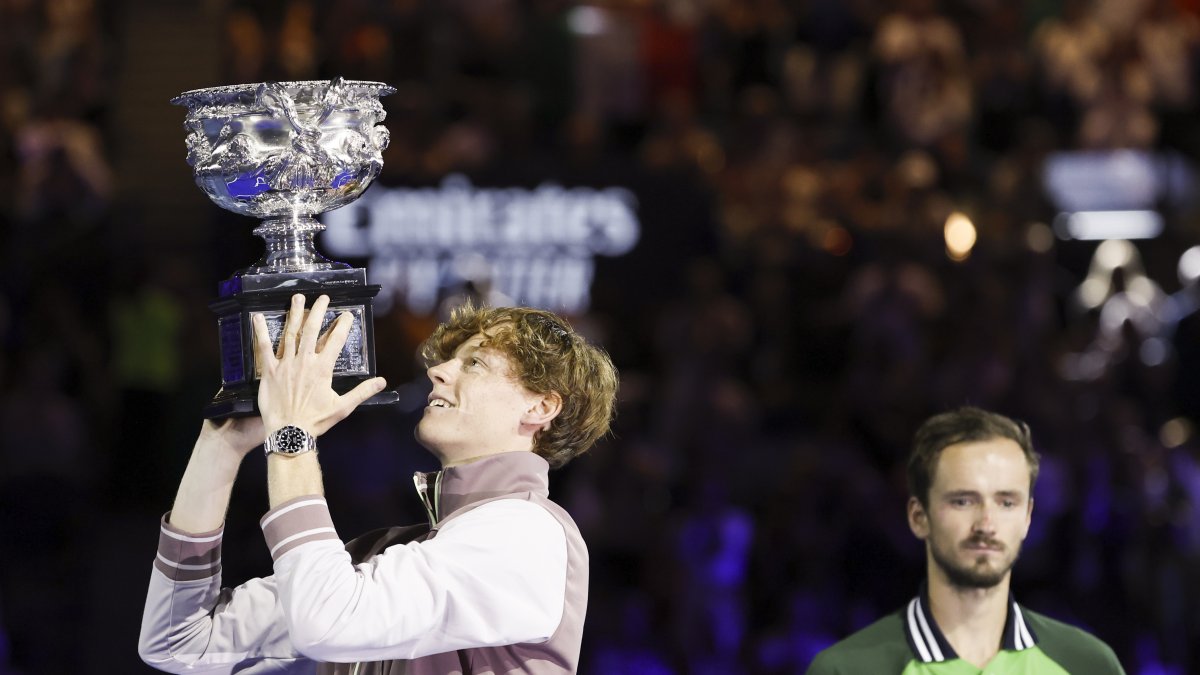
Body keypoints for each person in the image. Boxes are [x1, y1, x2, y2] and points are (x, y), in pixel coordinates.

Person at [138, 294, 619, 674]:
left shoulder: (527, 533)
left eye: (474, 363)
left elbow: (328, 619)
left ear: (540, 408)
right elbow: (180, 642)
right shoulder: (387, 557)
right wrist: (221, 447)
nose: (437, 370)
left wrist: (292, 435)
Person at [807, 406, 1125, 674]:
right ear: (919, 517)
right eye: (963, 501)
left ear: (1027, 517)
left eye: (1006, 502)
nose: (986, 524)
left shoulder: (1088, 665)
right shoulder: (848, 670)